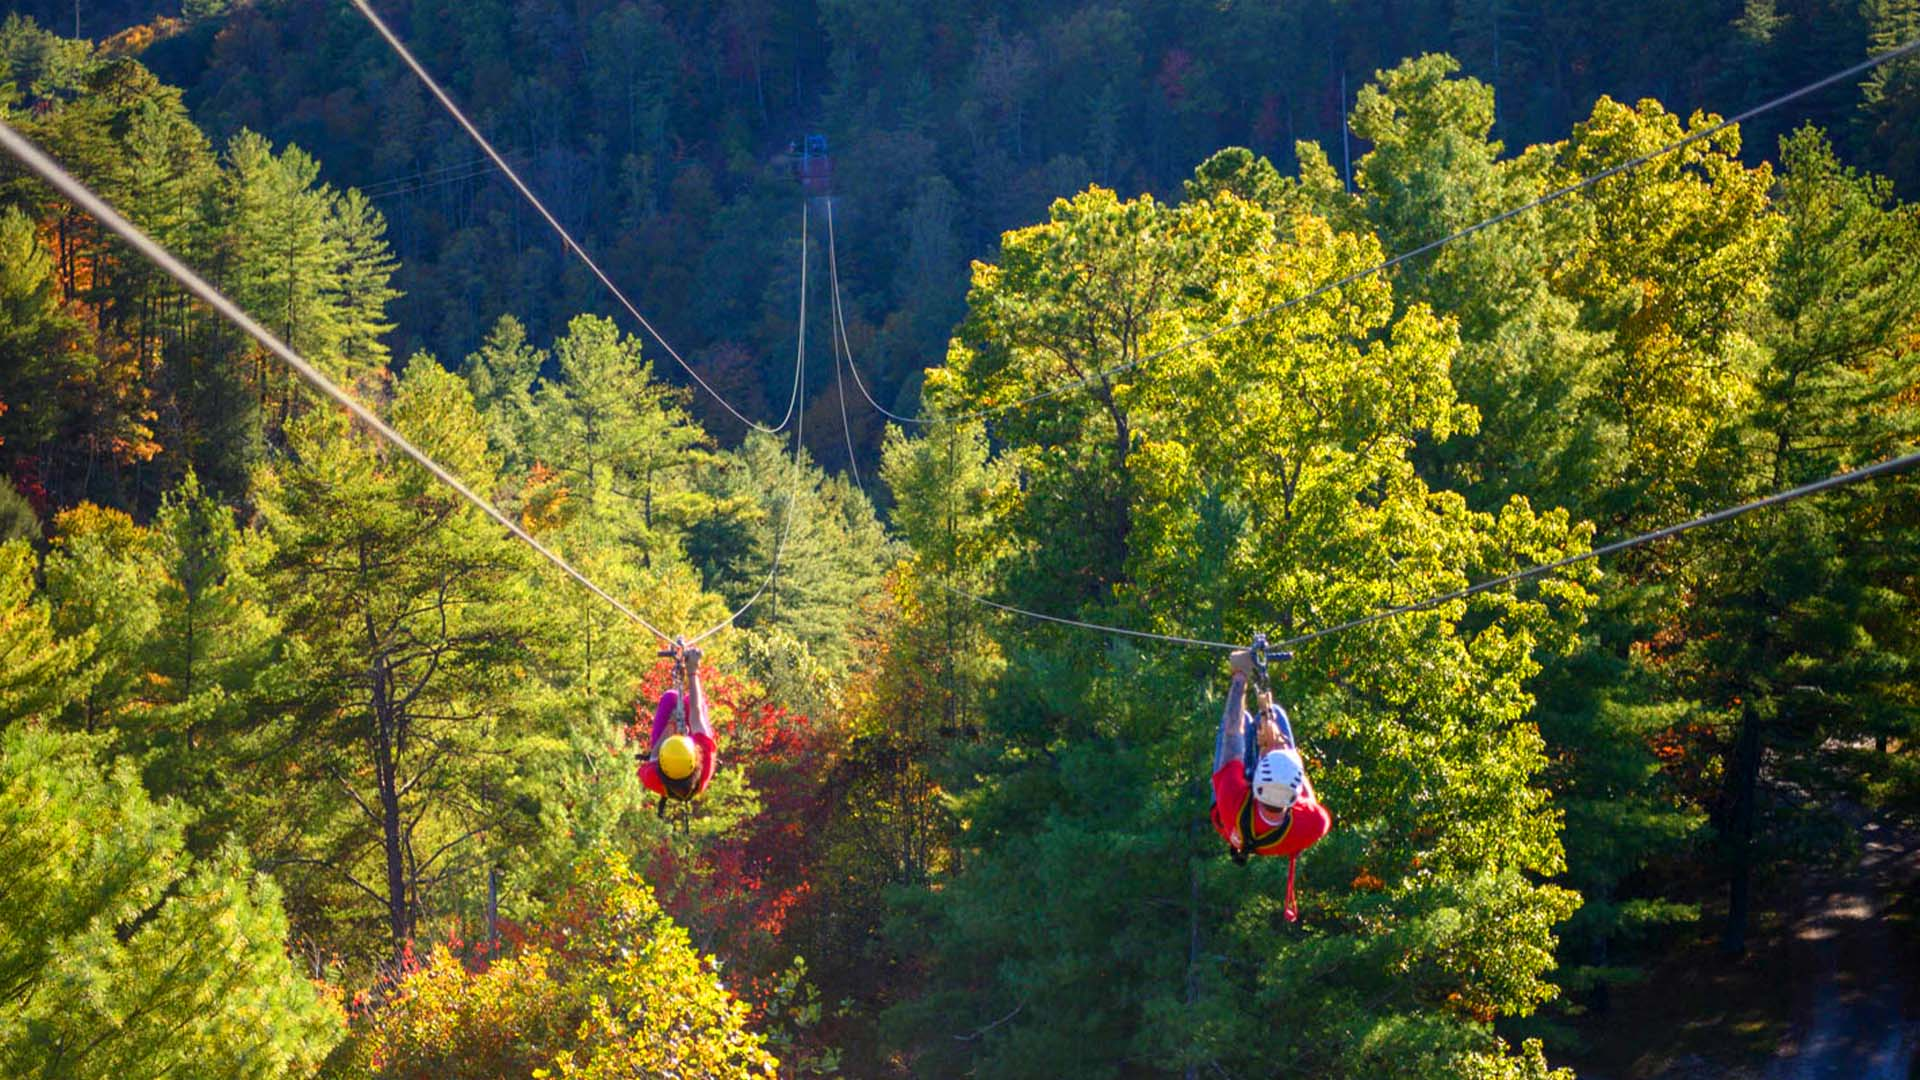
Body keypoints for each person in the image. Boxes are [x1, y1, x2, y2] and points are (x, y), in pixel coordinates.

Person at [1210, 647, 1331, 920]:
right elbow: (1307, 797)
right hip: (1270, 827)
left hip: (1234, 817)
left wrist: (1240, 677)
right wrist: (1280, 745)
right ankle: (1273, 731)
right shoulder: (1313, 823)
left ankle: (1264, 728)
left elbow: (1231, 733)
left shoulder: (1232, 799)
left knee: (1245, 721)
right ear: (1294, 794)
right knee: (1274, 712)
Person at [639, 643, 717, 806]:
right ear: (695, 757)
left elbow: (653, 756)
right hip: (689, 757)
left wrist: (670, 726)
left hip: (670, 757)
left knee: (670, 697)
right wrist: (693, 671)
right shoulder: (706, 757)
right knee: (691, 702)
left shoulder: (652, 778)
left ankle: (671, 723)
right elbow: (696, 713)